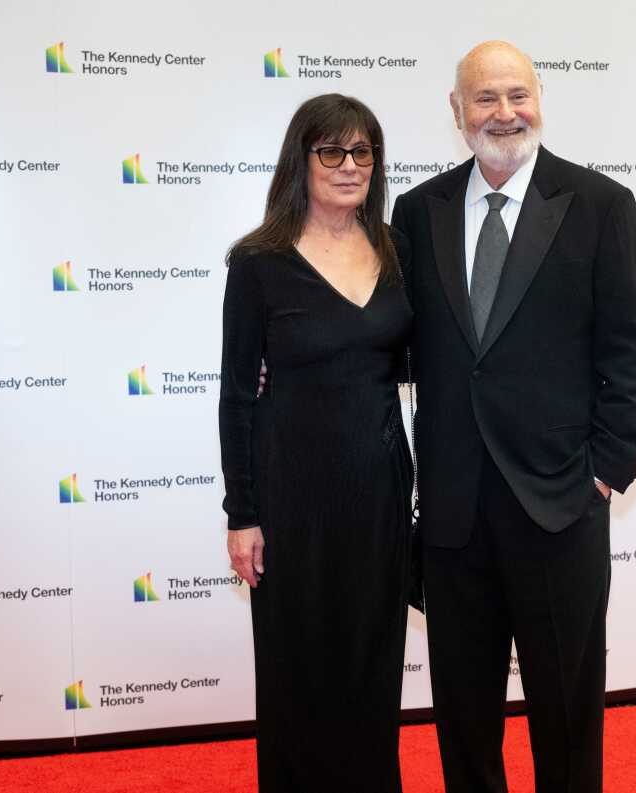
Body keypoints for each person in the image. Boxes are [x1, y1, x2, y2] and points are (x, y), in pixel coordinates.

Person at [390, 41, 636, 792]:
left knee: (568, 714)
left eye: (518, 94)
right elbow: (392, 342)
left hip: (561, 508)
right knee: (464, 718)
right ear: (456, 111)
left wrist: (605, 472)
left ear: (540, 99)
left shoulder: (600, 206)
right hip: (452, 517)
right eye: (485, 98)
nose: (504, 113)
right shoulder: (417, 212)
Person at [218, 93, 413, 793]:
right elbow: (237, 395)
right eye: (331, 150)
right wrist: (241, 512)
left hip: (380, 495)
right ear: (301, 160)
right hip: (290, 498)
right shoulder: (258, 264)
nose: (349, 164)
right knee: (298, 668)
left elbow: (420, 360)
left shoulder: (397, 252)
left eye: (363, 151)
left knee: (371, 661)